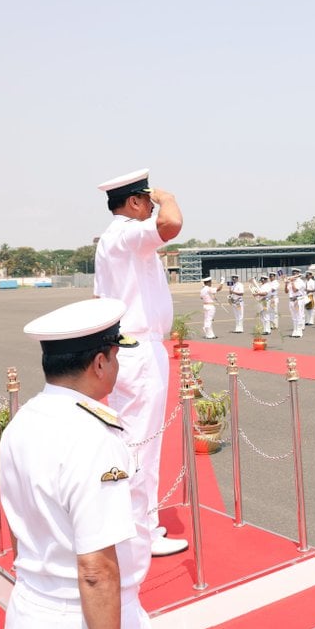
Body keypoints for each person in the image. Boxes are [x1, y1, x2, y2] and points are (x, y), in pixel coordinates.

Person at [1, 298, 153, 629]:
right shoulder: (93, 436)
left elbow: (19, 524)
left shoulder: (22, 421)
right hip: (81, 617)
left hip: (29, 605)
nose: (116, 366)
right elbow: (96, 570)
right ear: (100, 363)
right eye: (116, 357)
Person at [94, 168, 187, 557]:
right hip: (139, 349)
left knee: (134, 439)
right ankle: (140, 533)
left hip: (131, 347)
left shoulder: (117, 238)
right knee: (142, 443)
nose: (151, 207)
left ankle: (135, 524)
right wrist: (167, 197)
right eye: (146, 200)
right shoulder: (127, 234)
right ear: (134, 202)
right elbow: (172, 223)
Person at [285, 268, 308, 337]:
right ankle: (295, 331)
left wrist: (292, 282)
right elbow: (286, 291)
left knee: (299, 316)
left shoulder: (300, 282)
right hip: (291, 300)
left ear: (298, 273)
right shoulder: (291, 281)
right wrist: (286, 284)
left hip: (298, 300)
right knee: (294, 317)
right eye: (293, 272)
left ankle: (299, 332)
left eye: (295, 272)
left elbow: (295, 290)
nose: (294, 273)